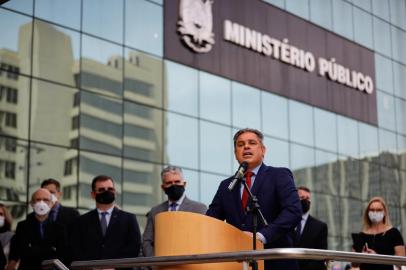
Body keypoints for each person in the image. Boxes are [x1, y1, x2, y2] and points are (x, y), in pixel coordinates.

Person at [206, 128, 302, 270]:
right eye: (240, 144)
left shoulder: (279, 175)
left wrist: (262, 236)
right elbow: (211, 220)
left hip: (275, 263)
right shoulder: (226, 185)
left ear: (263, 150)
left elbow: (293, 211)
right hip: (238, 264)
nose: (246, 147)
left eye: (252, 143)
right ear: (235, 154)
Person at [71, 175, 141, 268]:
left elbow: (133, 248)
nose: (107, 192)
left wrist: (114, 267)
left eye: (110, 189)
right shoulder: (81, 221)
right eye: (101, 190)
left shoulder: (129, 219)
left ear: (115, 192)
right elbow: (76, 249)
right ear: (93, 194)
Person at [142, 166, 207, 257]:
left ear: (184, 184)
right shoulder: (155, 211)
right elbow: (147, 241)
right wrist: (155, 263)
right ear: (163, 187)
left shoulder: (199, 209)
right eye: (169, 183)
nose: (174, 185)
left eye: (177, 182)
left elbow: (204, 239)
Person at [7, 188, 67, 270]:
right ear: (32, 203)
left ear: (52, 203)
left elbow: (62, 254)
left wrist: (33, 249)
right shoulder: (22, 226)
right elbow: (19, 252)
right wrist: (49, 250)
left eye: (45, 200)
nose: (41, 203)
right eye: (38, 199)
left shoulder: (59, 228)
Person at [351, 196, 405, 270]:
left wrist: (377, 257)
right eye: (372, 210)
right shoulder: (361, 236)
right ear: (367, 213)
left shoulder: (394, 233)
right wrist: (361, 256)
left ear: (385, 212)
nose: (375, 212)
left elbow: (401, 262)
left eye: (379, 210)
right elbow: (354, 264)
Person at [294, 186, 328, 270]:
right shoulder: (286, 222)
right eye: (302, 197)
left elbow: (321, 255)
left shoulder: (320, 226)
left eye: (308, 198)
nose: (305, 200)